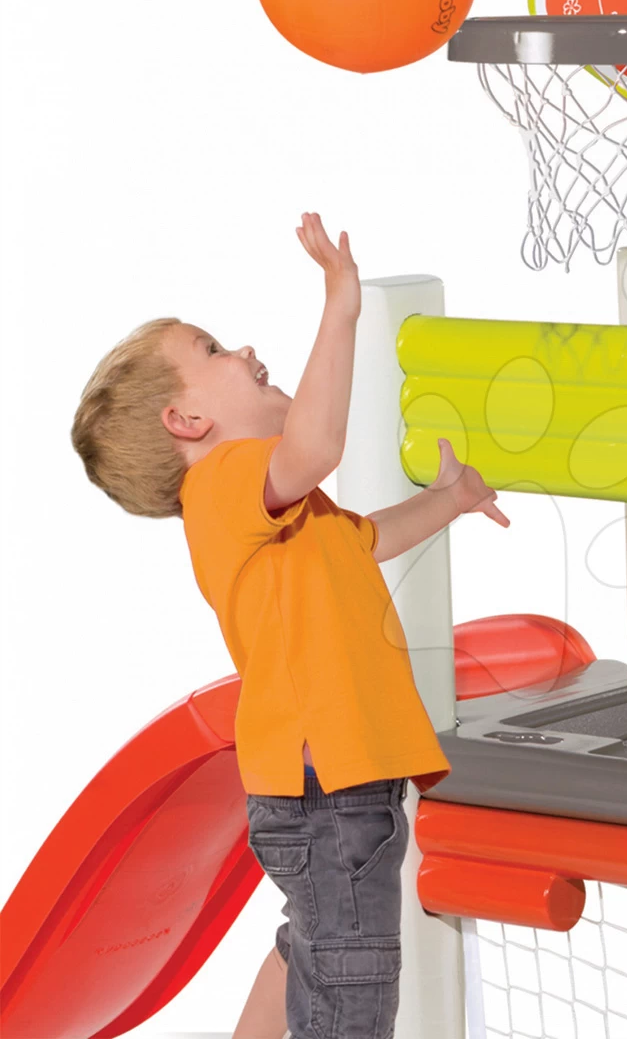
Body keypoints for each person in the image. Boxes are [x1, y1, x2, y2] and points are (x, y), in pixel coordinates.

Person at [70, 213, 510, 1039]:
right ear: (185, 422)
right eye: (209, 350)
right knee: (351, 988)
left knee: (318, 947)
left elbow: (367, 538)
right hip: (328, 784)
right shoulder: (225, 484)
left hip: (322, 786)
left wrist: (448, 500)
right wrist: (340, 305)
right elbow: (315, 444)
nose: (240, 349)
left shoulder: (281, 514)